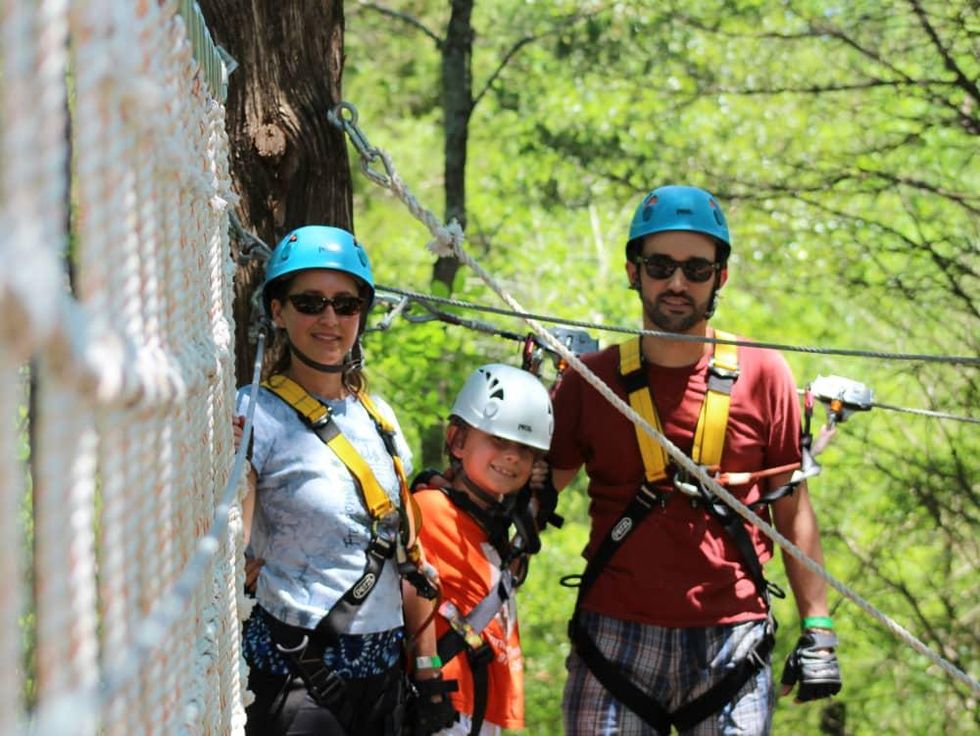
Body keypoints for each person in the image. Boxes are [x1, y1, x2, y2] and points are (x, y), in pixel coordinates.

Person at [549, 185, 842, 735]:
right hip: (615, 634)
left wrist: (818, 627)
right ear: (634, 271)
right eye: (660, 266)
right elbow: (534, 496)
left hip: (731, 639)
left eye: (696, 269)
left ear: (720, 277)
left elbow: (792, 510)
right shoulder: (591, 381)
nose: (677, 283)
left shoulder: (765, 374)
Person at [237, 225, 440, 736]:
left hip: (385, 681)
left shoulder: (381, 418)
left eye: (345, 305)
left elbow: (409, 557)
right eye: (310, 302)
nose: (329, 318)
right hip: (298, 679)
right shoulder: (252, 412)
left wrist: (427, 668)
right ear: (278, 311)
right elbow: (229, 537)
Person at [405, 363, 555, 736]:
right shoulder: (431, 509)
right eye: (498, 441)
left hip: (478, 700)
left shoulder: (491, 524)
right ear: (457, 441)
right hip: (447, 701)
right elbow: (414, 589)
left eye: (525, 450)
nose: (512, 457)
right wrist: (427, 675)